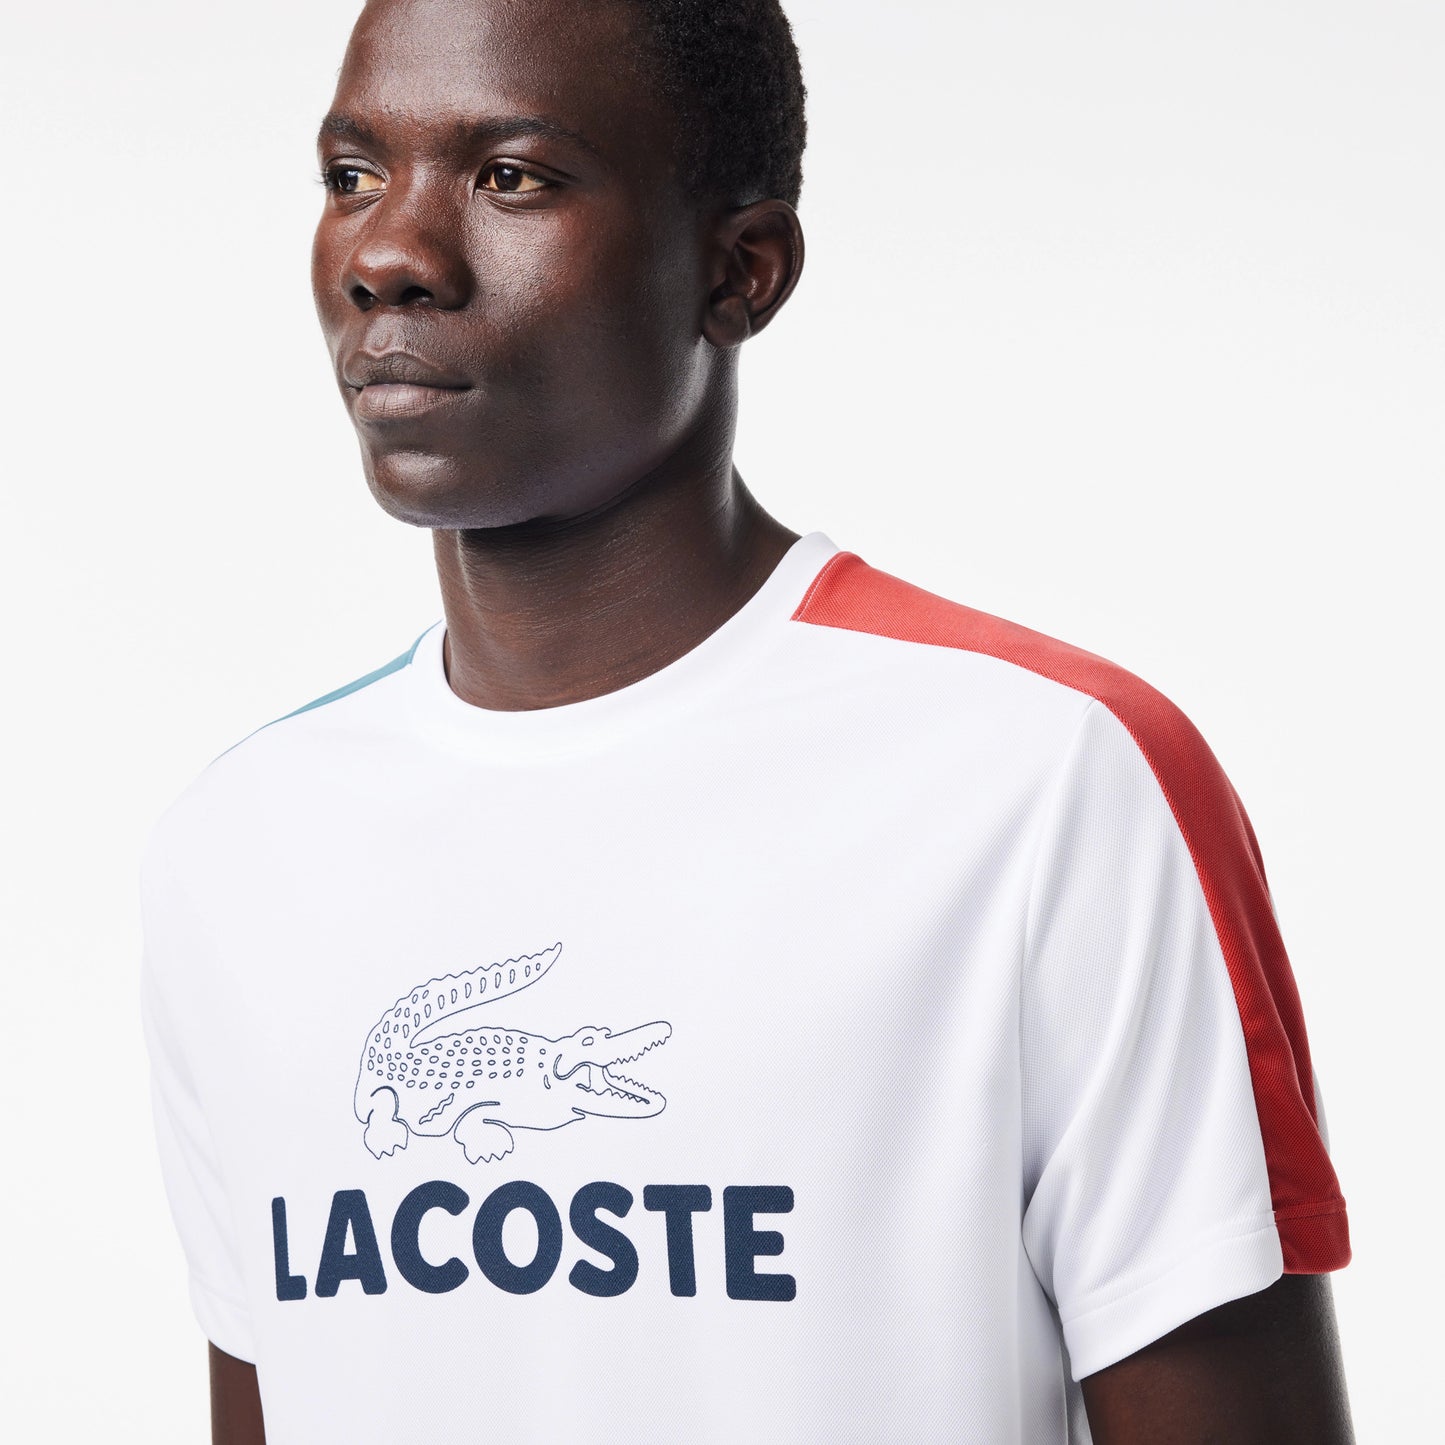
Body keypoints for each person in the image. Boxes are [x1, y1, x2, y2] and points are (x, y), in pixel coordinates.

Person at [140, 0, 1354, 1440]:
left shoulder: (1044, 775)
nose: (390, 254)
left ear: (740, 270)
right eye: (352, 175)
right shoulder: (244, 844)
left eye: (511, 175)